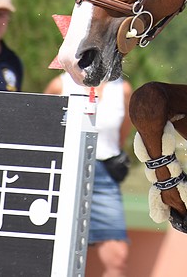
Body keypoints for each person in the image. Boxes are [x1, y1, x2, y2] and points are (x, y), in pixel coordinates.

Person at [45, 71, 133, 277]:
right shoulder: (59, 85)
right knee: (54, 253)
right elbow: (43, 131)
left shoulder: (123, 90)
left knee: (117, 258)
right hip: (63, 173)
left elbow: (120, 138)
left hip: (104, 175)